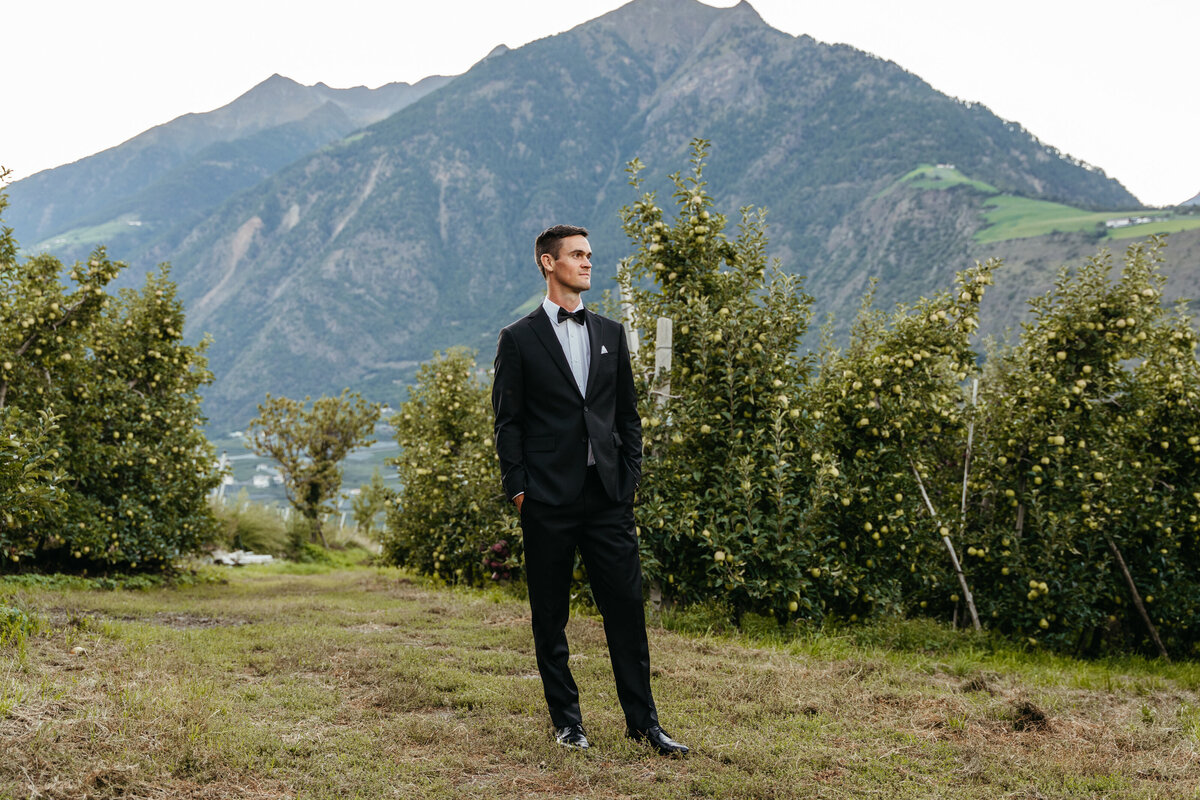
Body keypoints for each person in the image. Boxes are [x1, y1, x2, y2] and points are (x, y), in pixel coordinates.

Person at [491, 224, 688, 756]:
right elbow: (507, 423)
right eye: (577, 255)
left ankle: (644, 724)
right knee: (550, 615)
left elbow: (626, 414)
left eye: (590, 255)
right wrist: (519, 491)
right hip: (547, 500)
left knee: (626, 609)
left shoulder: (610, 332)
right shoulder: (518, 338)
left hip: (607, 496)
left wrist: (629, 477)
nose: (587, 263)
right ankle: (568, 723)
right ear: (547, 263)